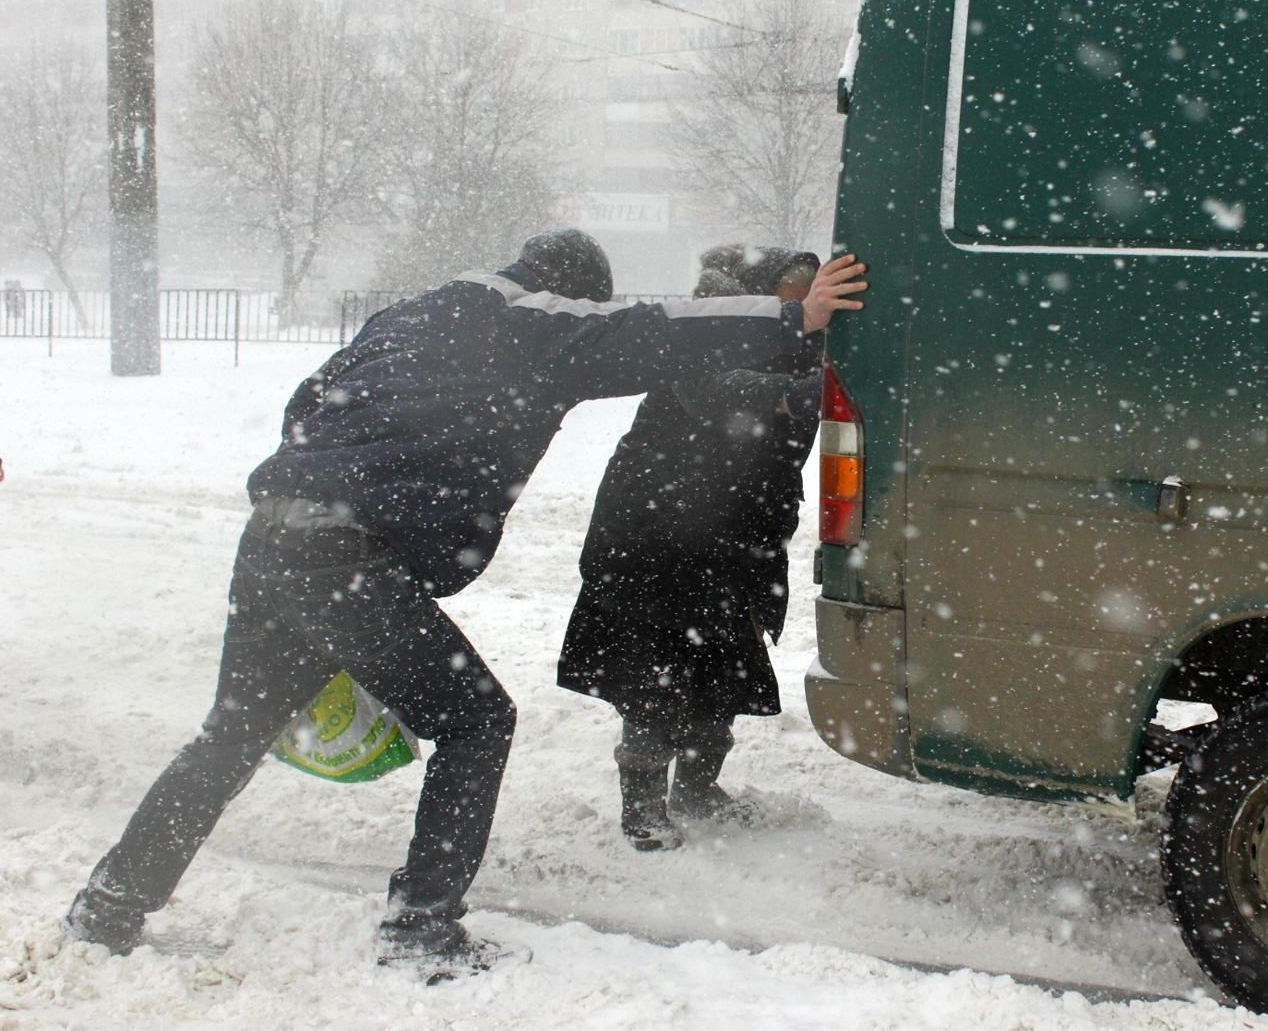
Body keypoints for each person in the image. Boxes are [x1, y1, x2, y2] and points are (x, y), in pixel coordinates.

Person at [64, 229, 866, 977]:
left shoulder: (409, 313)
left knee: (229, 735)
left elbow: (307, 405)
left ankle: (109, 903)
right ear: (568, 291)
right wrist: (795, 317)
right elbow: (651, 331)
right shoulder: (530, 326)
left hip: (275, 538)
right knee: (477, 720)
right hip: (350, 556)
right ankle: (422, 927)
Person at [557, 245, 825, 852]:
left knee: (726, 669)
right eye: (793, 298)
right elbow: (710, 389)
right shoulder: (700, 334)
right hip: (657, 536)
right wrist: (794, 393)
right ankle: (643, 808)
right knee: (656, 674)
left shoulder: (810, 347)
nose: (806, 309)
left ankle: (698, 789)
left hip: (737, 534)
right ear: (756, 298)